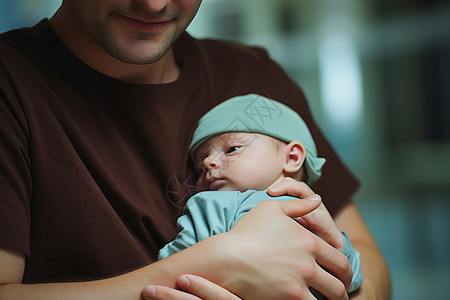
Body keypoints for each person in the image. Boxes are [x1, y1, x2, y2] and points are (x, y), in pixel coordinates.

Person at [0, 0, 390, 299]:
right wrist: (211, 264)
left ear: (293, 158)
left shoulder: (254, 79)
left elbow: (368, 260)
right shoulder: (12, 83)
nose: (154, 3)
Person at [157, 94, 364, 297]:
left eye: (232, 149)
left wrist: (340, 246)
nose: (209, 163)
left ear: (292, 157)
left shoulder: (313, 212)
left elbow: (351, 278)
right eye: (200, 167)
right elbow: (175, 264)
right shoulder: (213, 204)